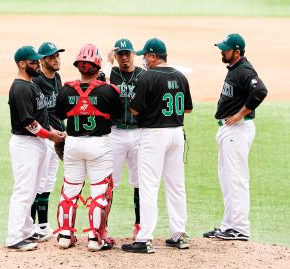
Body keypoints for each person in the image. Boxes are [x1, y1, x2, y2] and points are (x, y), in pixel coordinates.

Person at [121, 38, 193, 254]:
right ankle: (179, 235)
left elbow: (134, 109)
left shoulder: (147, 77)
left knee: (149, 186)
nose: (144, 59)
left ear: (153, 57)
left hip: (154, 135)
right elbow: (187, 109)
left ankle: (144, 239)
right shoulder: (180, 76)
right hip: (176, 134)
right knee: (176, 185)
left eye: (146, 56)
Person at [54, 44, 123, 251]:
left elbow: (59, 114)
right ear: (98, 65)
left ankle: (65, 236)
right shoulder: (108, 91)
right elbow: (118, 116)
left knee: (70, 190)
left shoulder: (66, 89)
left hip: (73, 145)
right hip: (99, 145)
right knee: (100, 191)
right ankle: (95, 239)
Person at [203, 33, 268, 241]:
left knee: (236, 178)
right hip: (229, 131)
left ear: (237, 51)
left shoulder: (244, 70)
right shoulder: (235, 69)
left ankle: (239, 228)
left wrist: (241, 113)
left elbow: (260, 91)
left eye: (226, 49)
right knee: (226, 179)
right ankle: (229, 225)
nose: (222, 51)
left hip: (237, 130)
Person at [6, 45, 65, 251]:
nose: (38, 64)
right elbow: (29, 123)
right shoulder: (20, 88)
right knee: (23, 190)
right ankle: (14, 237)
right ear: (22, 64)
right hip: (25, 144)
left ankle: (28, 231)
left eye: (38, 61)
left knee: (32, 190)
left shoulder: (32, 85)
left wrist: (52, 133)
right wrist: (51, 136)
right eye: (33, 62)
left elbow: (41, 117)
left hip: (37, 143)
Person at [103, 38, 145, 239]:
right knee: (110, 181)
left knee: (140, 181)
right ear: (116, 56)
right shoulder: (112, 74)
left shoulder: (143, 75)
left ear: (133, 54)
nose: (125, 58)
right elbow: (98, 80)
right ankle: (103, 227)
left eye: (127, 53)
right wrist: (108, 61)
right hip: (116, 134)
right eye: (120, 54)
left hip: (139, 133)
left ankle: (140, 225)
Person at [29, 42, 66, 240]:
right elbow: (39, 113)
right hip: (45, 138)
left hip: (57, 138)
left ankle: (43, 225)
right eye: (51, 57)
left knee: (48, 182)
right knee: (38, 182)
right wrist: (52, 133)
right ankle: (31, 227)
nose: (56, 59)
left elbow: (57, 110)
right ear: (42, 60)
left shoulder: (57, 78)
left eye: (57, 56)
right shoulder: (37, 81)